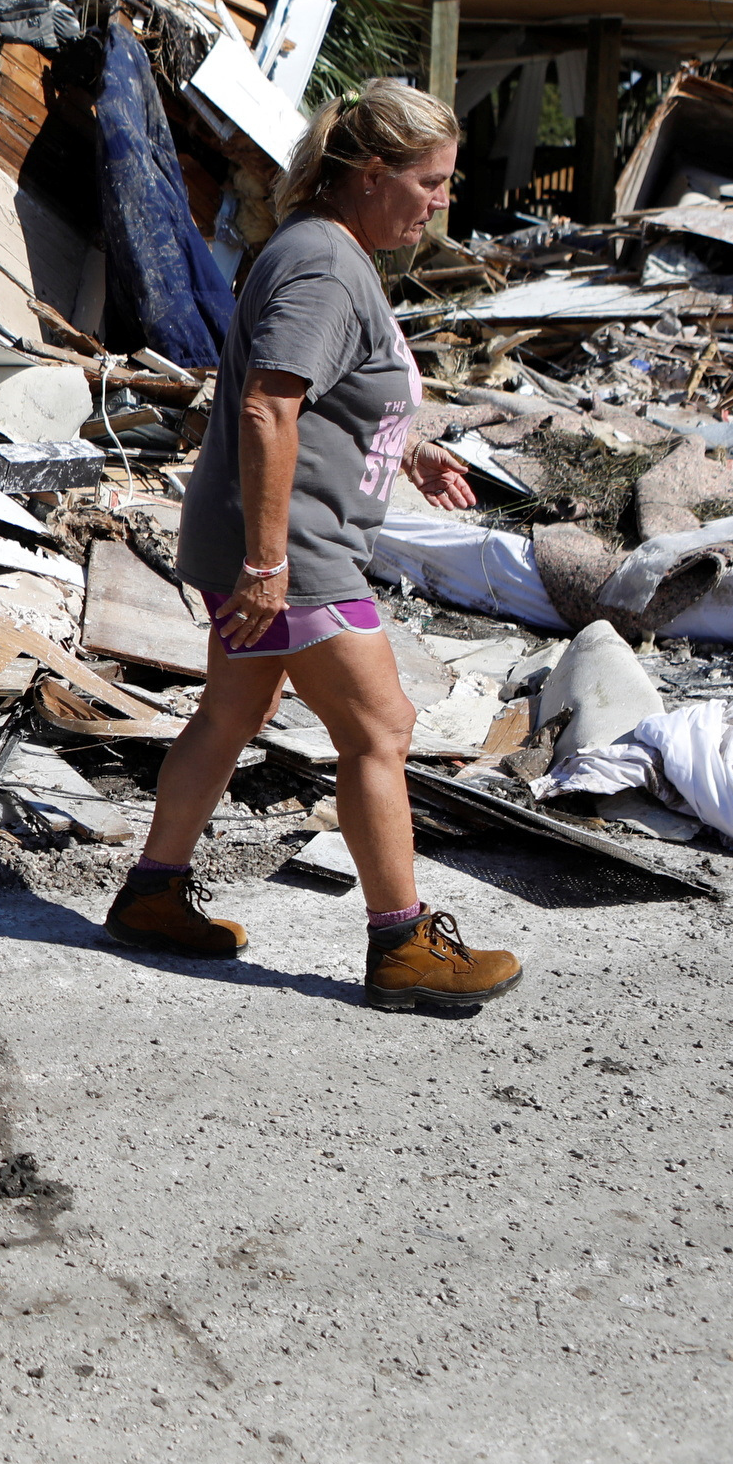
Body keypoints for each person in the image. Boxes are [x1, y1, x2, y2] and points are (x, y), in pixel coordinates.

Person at [102, 82, 524, 1012]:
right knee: (380, 729)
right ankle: (404, 947)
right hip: (294, 552)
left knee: (230, 714)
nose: (441, 202)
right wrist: (267, 563)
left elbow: (325, 391)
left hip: (277, 545)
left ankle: (152, 896)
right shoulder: (327, 265)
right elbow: (266, 404)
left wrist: (405, 447)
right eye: (430, 181)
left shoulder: (327, 252)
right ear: (371, 174)